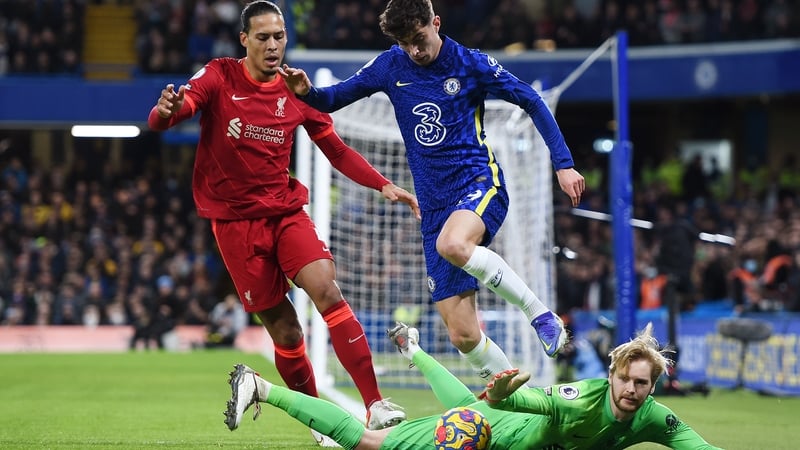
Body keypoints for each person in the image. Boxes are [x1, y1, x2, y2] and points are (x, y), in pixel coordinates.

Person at [147, 0, 420, 438]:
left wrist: (382, 184)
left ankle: (375, 403)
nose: (273, 46)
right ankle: (318, 421)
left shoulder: (296, 88)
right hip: (235, 226)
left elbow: (336, 150)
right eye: (263, 37)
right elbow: (172, 114)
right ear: (244, 40)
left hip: (285, 213)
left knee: (326, 290)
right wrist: (166, 110)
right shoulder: (220, 74)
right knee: (287, 332)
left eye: (279, 36)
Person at [278, 0, 585, 380]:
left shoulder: (470, 63)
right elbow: (334, 99)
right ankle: (526, 406)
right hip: (434, 208)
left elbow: (532, 100)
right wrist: (306, 91)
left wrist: (564, 162)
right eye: (406, 43)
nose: (415, 51)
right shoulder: (391, 65)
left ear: (436, 22)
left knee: (453, 245)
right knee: (463, 335)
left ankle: (541, 315)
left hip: (478, 182)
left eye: (420, 39)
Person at [224, 321, 722, 450]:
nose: (633, 390)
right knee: (369, 442)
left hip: (492, 423)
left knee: (468, 401)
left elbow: (694, 444)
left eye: (642, 384)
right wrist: (505, 394)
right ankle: (261, 387)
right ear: (611, 373)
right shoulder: (579, 401)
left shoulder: (652, 416)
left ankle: (412, 349)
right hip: (479, 434)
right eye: (627, 379)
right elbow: (523, 401)